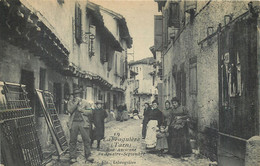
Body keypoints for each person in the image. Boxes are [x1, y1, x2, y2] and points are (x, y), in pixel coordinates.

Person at [67, 89, 94, 163]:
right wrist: (76, 103)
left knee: (86, 139)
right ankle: (72, 157)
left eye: (78, 94)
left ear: (81, 95)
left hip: (83, 122)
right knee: (72, 140)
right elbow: (70, 110)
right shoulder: (70, 102)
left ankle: (88, 155)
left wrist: (82, 110)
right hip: (73, 123)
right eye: (75, 94)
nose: (77, 96)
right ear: (74, 95)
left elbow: (90, 112)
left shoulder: (85, 102)